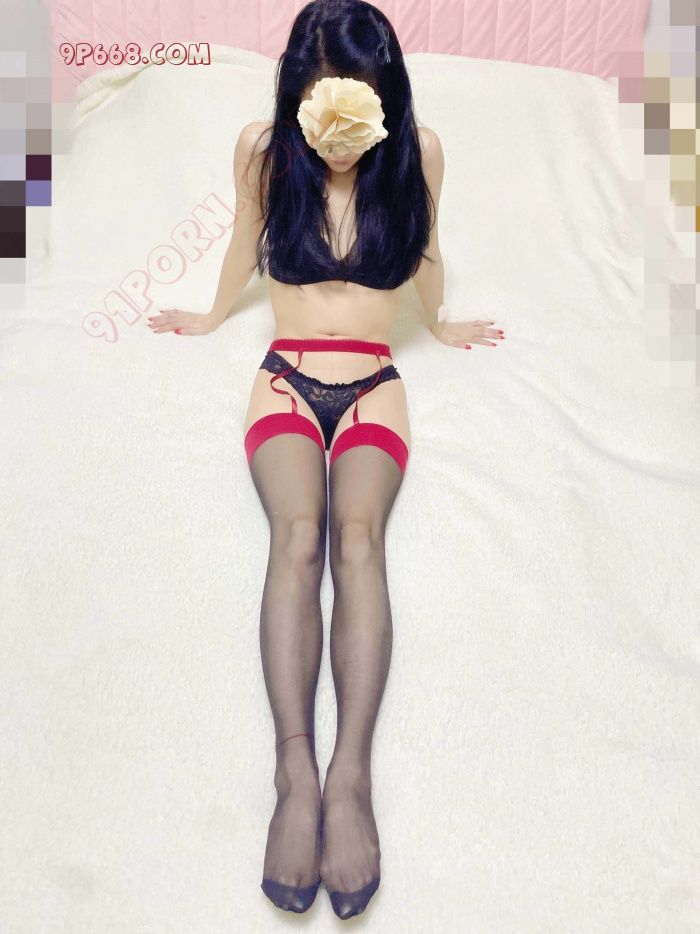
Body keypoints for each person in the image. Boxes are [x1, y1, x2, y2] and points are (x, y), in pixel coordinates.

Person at [147, 0, 504, 919]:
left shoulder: (417, 153)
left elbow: (426, 249)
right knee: (298, 536)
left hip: (375, 379)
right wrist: (209, 317)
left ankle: (350, 777)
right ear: (297, 97)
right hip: (287, 378)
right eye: (320, 101)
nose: (337, 129)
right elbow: (243, 242)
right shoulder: (266, 153)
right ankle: (295, 771)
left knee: (358, 541)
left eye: (358, 99)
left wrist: (442, 324)